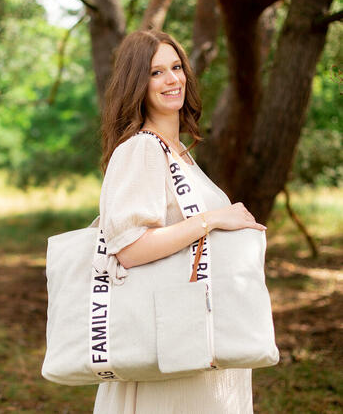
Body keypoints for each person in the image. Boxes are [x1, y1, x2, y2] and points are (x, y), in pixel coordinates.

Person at [93, 30, 266, 414]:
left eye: (176, 67)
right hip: (171, 350)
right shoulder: (142, 148)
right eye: (156, 73)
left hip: (197, 339)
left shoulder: (179, 153)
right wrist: (213, 219)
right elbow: (130, 248)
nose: (173, 80)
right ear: (136, 83)